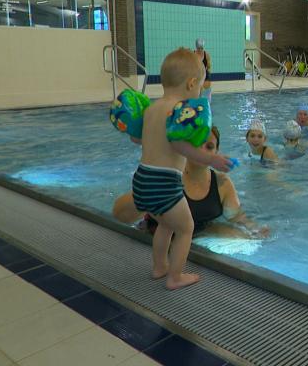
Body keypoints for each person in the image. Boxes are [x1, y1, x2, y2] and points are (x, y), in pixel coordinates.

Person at [131, 47, 232, 290]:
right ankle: (175, 276)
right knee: (186, 228)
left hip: (141, 179)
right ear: (191, 84)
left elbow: (137, 139)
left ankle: (159, 267)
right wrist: (212, 160)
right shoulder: (178, 111)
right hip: (164, 182)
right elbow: (179, 145)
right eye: (200, 86)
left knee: (166, 224)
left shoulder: (152, 109)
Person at [114, 126, 269, 239]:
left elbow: (236, 216)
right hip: (156, 237)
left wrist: (255, 229)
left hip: (201, 235)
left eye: (209, 146)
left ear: (217, 152)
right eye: (196, 143)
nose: (202, 150)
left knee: (241, 236)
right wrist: (151, 193)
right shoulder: (168, 177)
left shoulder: (222, 183)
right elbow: (119, 215)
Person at [195, 38, 213, 103]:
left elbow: (209, 66)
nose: (200, 50)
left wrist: (206, 72)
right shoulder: (193, 54)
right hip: (196, 74)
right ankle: (198, 101)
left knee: (206, 89)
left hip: (205, 74)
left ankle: (207, 103)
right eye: (199, 48)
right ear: (196, 47)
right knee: (197, 90)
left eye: (201, 48)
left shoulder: (206, 55)